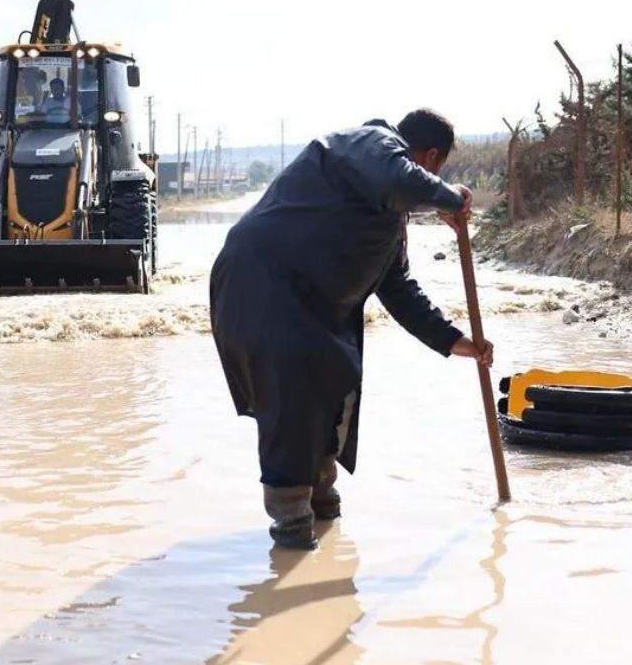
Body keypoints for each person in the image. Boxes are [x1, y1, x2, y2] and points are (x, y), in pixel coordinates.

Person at [208, 109, 494, 550]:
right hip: (263, 284)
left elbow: (397, 289)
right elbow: (401, 179)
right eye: (437, 171)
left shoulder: (385, 210)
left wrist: (458, 342)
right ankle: (291, 534)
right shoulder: (371, 143)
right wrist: (452, 198)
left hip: (310, 303)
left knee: (332, 390)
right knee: (292, 403)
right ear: (431, 157)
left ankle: (325, 519)